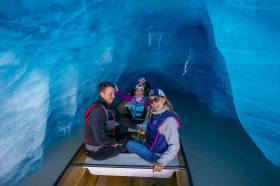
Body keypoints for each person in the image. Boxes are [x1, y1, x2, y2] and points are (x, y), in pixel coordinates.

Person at [126, 88, 181, 172]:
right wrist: (138, 130)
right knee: (131, 139)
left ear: (164, 99)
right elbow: (153, 130)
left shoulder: (169, 121)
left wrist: (161, 162)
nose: (153, 103)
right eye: (150, 101)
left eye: (156, 99)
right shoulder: (154, 113)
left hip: (157, 154)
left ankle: (153, 160)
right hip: (150, 144)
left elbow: (175, 145)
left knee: (129, 144)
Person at [84, 81, 140, 160]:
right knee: (127, 141)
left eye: (114, 93)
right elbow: (100, 139)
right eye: (110, 94)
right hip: (97, 150)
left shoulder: (110, 106)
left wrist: (136, 127)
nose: (113, 96)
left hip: (107, 136)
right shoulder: (97, 111)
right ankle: (122, 147)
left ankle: (121, 142)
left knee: (125, 126)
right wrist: (115, 143)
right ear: (102, 94)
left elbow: (120, 118)